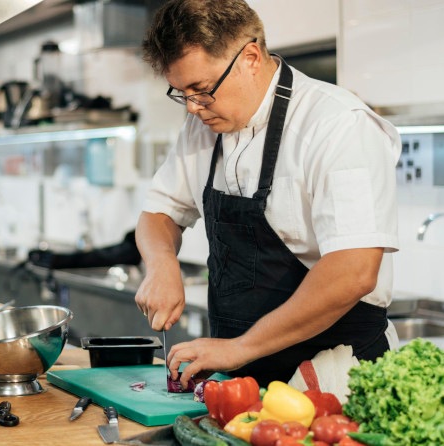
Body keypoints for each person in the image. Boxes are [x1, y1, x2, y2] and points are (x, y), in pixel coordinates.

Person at [135, 0, 401, 387]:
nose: (193, 108)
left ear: (251, 57)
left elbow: (353, 272)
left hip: (336, 375)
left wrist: (240, 347)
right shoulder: (202, 128)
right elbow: (159, 212)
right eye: (181, 93)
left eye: (202, 90)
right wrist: (161, 265)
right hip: (241, 377)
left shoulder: (337, 125)